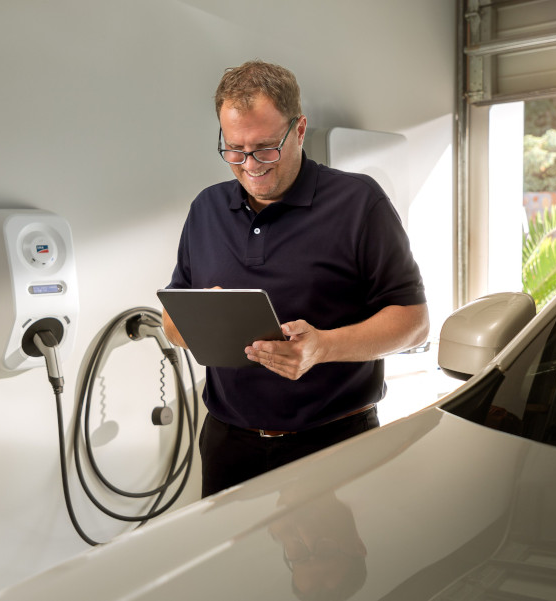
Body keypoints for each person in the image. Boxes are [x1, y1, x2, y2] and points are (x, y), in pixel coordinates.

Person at [163, 60, 429, 498]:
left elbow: (414, 321)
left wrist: (323, 347)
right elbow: (172, 319)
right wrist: (198, 321)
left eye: (266, 148)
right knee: (234, 570)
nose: (250, 165)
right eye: (234, 150)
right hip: (229, 445)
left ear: (299, 130)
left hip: (334, 444)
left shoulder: (359, 202)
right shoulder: (206, 209)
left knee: (332, 569)